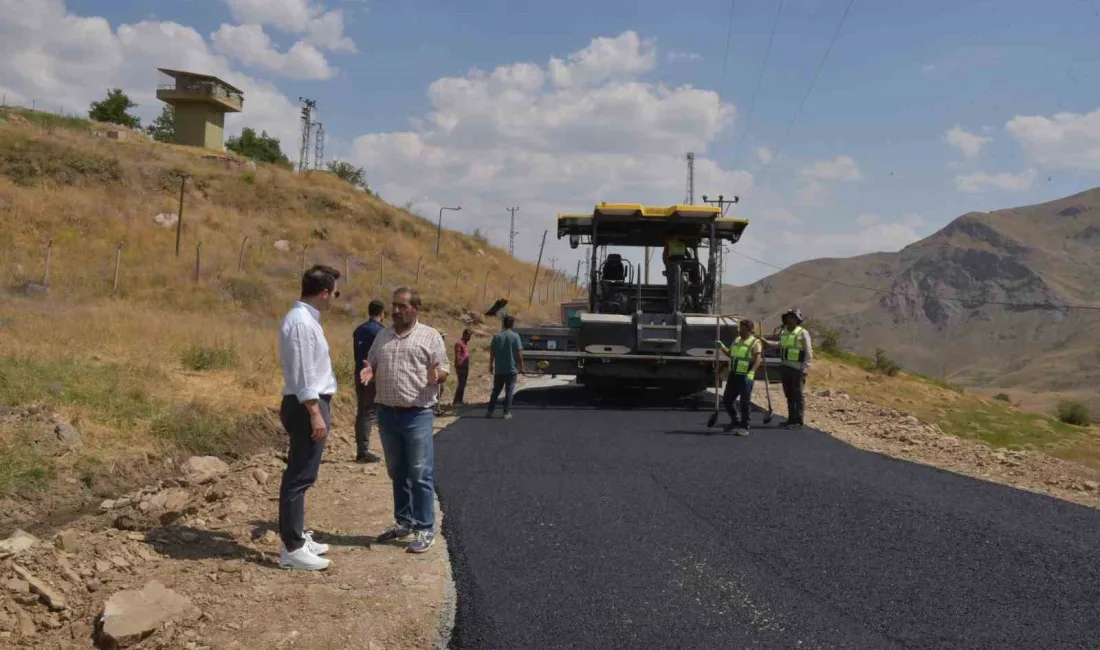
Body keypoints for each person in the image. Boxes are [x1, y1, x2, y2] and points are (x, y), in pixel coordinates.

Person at [358, 287, 449, 553]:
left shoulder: (430, 336)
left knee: (420, 473)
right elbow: (371, 363)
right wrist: (367, 370)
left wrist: (438, 376)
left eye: (402, 306)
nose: (396, 311)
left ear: (416, 309)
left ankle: (424, 529)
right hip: (387, 414)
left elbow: (443, 367)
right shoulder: (383, 336)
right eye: (394, 306)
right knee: (397, 472)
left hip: (417, 414)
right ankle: (405, 522)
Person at [277, 265, 341, 571]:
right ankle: (292, 547)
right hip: (307, 405)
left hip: (308, 402)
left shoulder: (306, 320)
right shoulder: (302, 323)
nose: (334, 300)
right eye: (335, 293)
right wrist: (315, 412)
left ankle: (298, 536)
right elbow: (303, 373)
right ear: (325, 292)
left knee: (303, 474)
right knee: (299, 476)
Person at [351, 299, 386, 464]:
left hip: (359, 373)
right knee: (370, 412)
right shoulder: (381, 331)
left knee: (362, 411)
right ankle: (363, 452)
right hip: (372, 376)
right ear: (382, 314)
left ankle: (361, 449)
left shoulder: (359, 330)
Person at [767, 308, 813, 429]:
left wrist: (806, 367)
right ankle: (791, 419)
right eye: (787, 317)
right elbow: (780, 345)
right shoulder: (784, 331)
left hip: (797, 369)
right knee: (789, 394)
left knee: (798, 395)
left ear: (797, 319)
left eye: (791, 317)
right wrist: (767, 342)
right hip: (785, 366)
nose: (789, 319)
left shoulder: (802, 332)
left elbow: (808, 351)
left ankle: (798, 420)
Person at [715, 319, 763, 435]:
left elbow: (758, 359)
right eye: (739, 328)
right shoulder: (737, 340)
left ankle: (745, 426)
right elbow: (730, 354)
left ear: (749, 330)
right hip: (734, 375)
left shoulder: (754, 343)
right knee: (727, 400)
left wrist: (752, 372)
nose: (739, 331)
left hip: (746, 376)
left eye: (742, 329)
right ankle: (735, 421)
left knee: (744, 402)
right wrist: (721, 346)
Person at [487, 316, 524, 419]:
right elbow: (519, 353)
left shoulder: (497, 336)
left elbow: (492, 352)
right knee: (509, 391)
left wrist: (491, 365)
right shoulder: (515, 336)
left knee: (496, 391)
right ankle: (506, 412)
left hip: (499, 369)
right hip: (511, 370)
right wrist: (521, 367)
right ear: (512, 324)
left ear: (503, 324)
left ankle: (490, 411)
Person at [453, 329, 472, 405]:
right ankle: (456, 401)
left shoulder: (465, 344)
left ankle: (460, 400)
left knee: (463, 384)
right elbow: (457, 355)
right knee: (461, 384)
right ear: (464, 334)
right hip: (461, 367)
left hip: (465, 366)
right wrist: (458, 366)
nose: (469, 338)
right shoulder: (459, 343)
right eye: (468, 336)